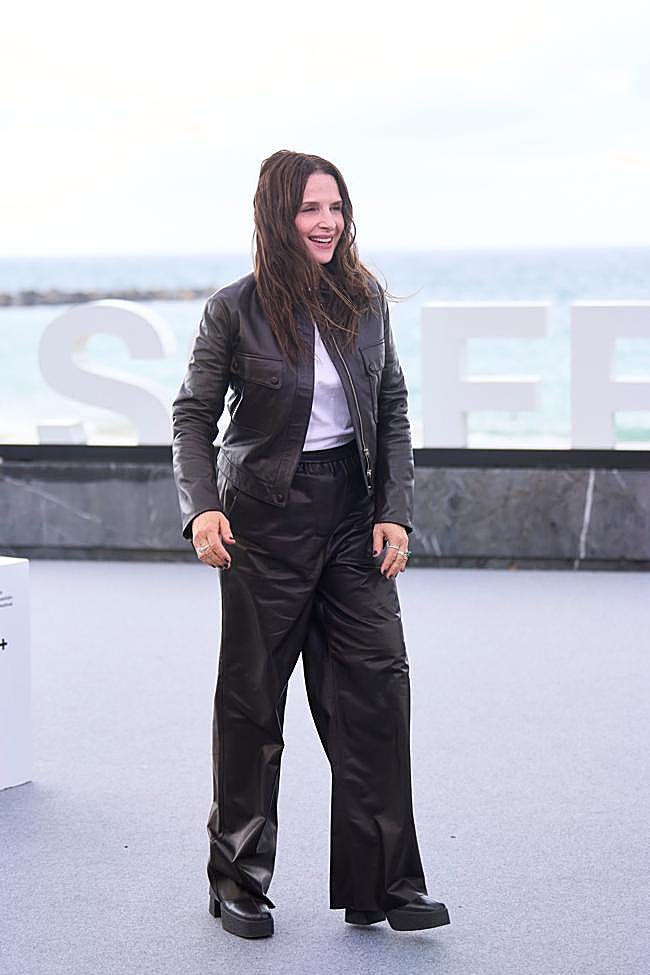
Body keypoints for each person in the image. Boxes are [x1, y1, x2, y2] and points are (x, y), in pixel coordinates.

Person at [171, 150, 450, 940]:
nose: (327, 221)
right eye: (309, 208)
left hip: (355, 523)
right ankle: (238, 880)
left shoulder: (364, 300)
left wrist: (394, 509)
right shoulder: (236, 309)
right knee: (253, 703)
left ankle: (385, 884)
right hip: (265, 523)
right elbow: (192, 413)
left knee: (376, 696)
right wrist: (202, 509)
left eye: (335, 206)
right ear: (276, 217)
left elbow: (390, 404)